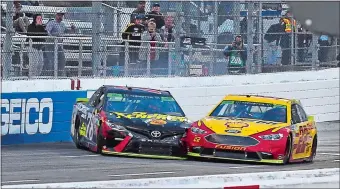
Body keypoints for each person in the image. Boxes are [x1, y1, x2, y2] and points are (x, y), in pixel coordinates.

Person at [44, 10, 76, 76]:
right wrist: (54, 37)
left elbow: (67, 31)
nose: (60, 17)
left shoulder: (62, 24)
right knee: (51, 61)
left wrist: (72, 29)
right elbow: (47, 32)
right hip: (51, 45)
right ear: (56, 15)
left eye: (61, 15)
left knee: (62, 60)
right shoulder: (52, 22)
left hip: (58, 45)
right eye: (59, 15)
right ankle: (50, 76)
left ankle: (59, 75)